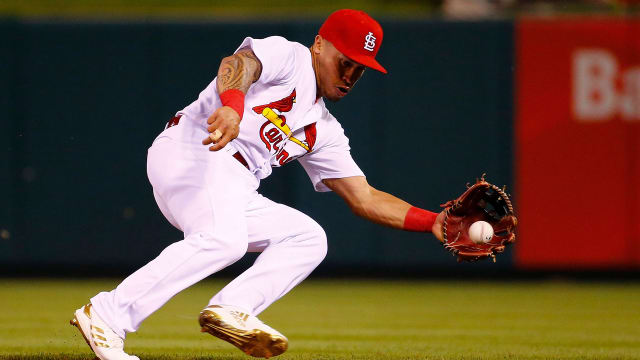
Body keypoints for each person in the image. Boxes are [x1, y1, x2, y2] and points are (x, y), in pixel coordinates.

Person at [70, 9, 445, 360]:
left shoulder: (325, 129)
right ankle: (107, 313)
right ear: (319, 44)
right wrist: (233, 105)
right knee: (225, 240)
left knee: (307, 238)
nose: (349, 75)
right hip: (196, 148)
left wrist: (431, 222)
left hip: (232, 183)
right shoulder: (291, 56)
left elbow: (364, 197)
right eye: (344, 62)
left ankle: (231, 308)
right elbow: (237, 63)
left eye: (359, 69)